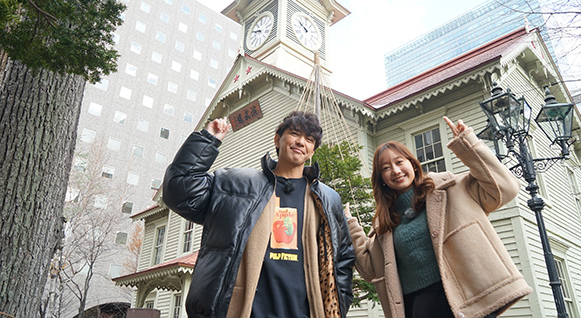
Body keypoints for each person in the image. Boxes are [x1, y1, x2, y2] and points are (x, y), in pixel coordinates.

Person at [163, 111, 355, 318]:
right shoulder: (235, 183)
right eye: (295, 134)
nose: (301, 142)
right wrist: (207, 140)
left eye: (309, 139)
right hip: (241, 311)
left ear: (312, 151)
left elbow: (343, 257)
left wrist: (338, 303)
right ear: (277, 139)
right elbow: (180, 193)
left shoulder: (327, 199)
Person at [345, 116, 532, 318]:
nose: (396, 171)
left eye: (399, 162)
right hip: (417, 307)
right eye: (386, 168)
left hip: (466, 303)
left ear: (413, 164)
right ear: (381, 179)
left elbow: (506, 189)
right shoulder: (385, 224)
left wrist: (468, 144)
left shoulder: (451, 188)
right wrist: (349, 226)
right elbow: (368, 268)